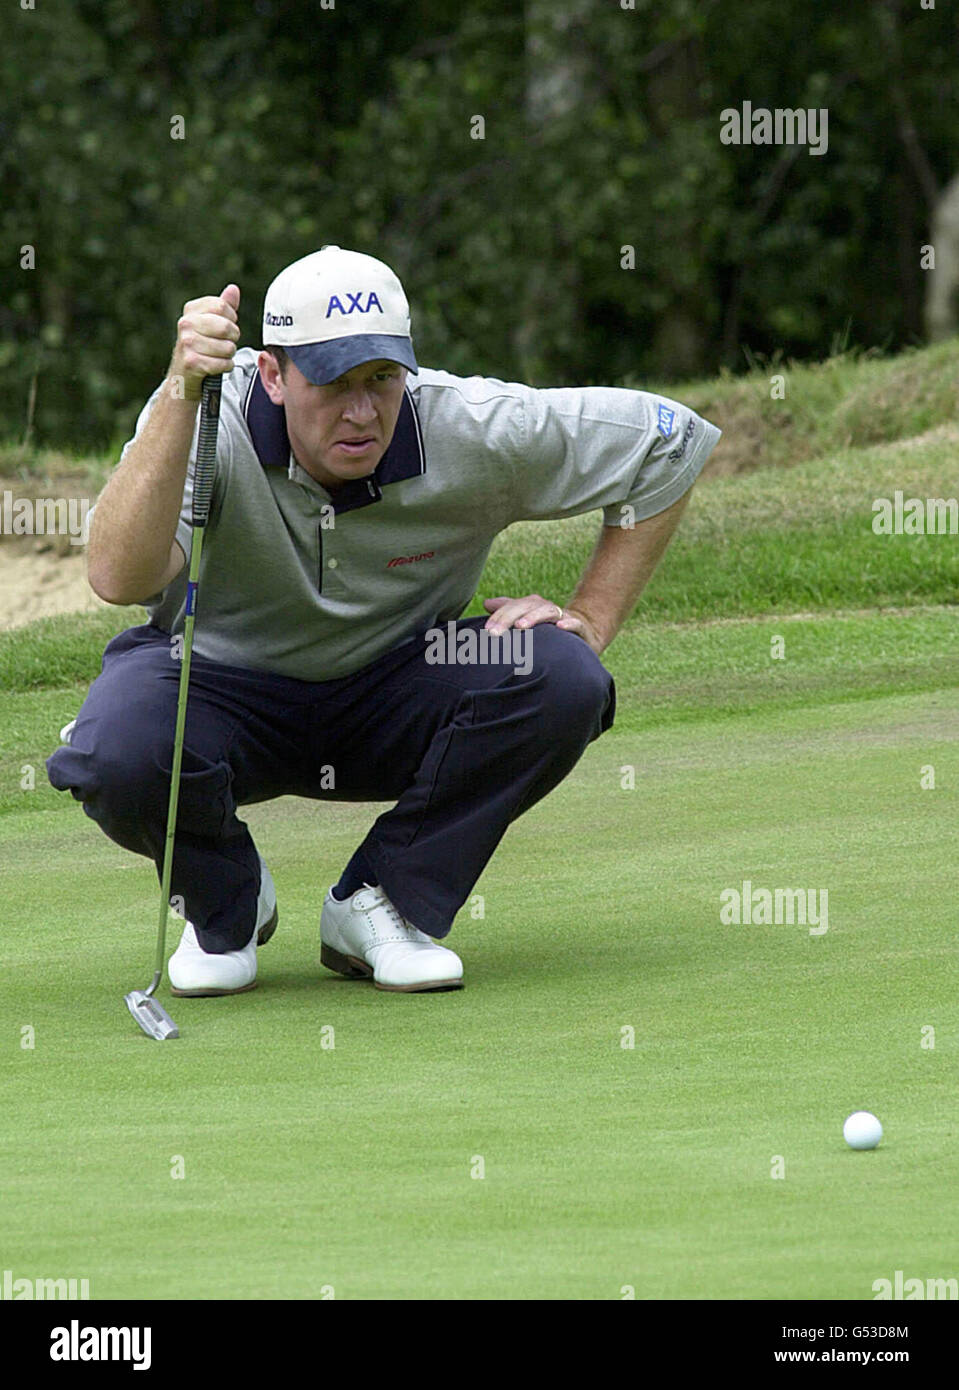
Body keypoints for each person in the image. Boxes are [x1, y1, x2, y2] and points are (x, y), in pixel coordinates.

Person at [47, 245, 720, 997]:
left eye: (381, 379)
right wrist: (177, 392)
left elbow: (669, 443)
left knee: (560, 675)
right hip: (217, 686)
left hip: (396, 687)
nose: (363, 410)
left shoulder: (470, 426)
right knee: (115, 748)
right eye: (333, 383)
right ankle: (225, 904)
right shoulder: (203, 418)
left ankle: (381, 905)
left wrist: (590, 618)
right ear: (272, 374)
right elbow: (117, 577)